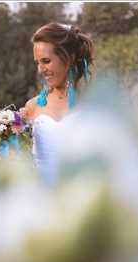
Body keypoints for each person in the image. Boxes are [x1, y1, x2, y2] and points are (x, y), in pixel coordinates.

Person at [20, 22, 94, 185]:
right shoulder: (32, 106)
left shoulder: (93, 104)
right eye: (37, 62)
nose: (40, 69)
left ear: (69, 57)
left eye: (46, 61)